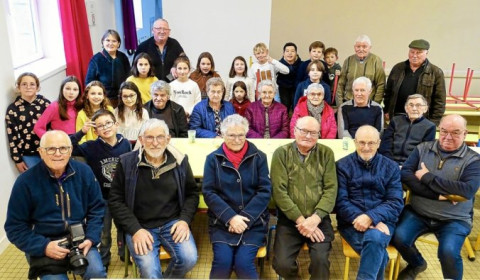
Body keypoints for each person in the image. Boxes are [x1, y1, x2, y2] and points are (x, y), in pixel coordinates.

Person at [5, 130, 106, 280]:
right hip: (45, 241)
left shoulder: (85, 172)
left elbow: (97, 209)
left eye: (63, 148)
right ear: (40, 152)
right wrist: (43, 246)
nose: (58, 154)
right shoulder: (25, 182)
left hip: (80, 239)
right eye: (51, 149)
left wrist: (91, 238)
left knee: (97, 273)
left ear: (70, 150)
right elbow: (14, 227)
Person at [392, 114, 480, 280]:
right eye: (444, 131)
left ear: (465, 134)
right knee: (398, 237)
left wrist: (426, 177)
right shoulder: (423, 148)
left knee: (448, 252)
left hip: (454, 218)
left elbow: (467, 190)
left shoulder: (473, 160)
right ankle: (417, 263)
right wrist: (440, 195)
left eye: (455, 132)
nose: (448, 137)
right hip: (418, 212)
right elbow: (405, 174)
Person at [109, 119, 199, 278]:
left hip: (172, 223)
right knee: (151, 273)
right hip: (140, 225)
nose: (155, 143)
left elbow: (192, 194)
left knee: (189, 258)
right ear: (141, 139)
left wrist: (184, 220)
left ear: (168, 139)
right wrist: (135, 230)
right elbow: (116, 201)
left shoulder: (180, 161)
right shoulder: (126, 162)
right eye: (149, 137)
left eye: (160, 137)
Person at [203, 114, 271, 279]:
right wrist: (231, 217)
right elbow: (209, 192)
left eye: (241, 135)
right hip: (222, 221)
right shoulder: (212, 159)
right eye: (231, 135)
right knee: (222, 263)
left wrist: (244, 218)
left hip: (253, 222)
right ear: (223, 135)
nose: (237, 139)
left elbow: (264, 191)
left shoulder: (259, 157)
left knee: (244, 264)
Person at [271, 116, 338, 279]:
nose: (308, 136)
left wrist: (315, 219)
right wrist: (301, 221)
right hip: (290, 220)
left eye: (313, 133)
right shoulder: (281, 154)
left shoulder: (326, 153)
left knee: (321, 261)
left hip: (319, 219)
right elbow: (279, 192)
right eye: (304, 131)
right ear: (294, 131)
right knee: (282, 264)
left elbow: (331, 189)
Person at [335, 125, 404, 280]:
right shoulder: (342, 166)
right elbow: (341, 201)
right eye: (362, 142)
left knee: (374, 238)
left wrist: (372, 217)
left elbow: (395, 201)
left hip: (384, 222)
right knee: (378, 249)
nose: (366, 148)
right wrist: (364, 219)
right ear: (354, 142)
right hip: (351, 222)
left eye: (371, 143)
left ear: (379, 143)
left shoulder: (391, 167)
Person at [71, 109, 131, 268]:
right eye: (100, 126)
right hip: (101, 199)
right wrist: (81, 132)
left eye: (108, 123)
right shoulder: (90, 146)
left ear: (116, 124)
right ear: (95, 130)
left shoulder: (125, 144)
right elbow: (68, 146)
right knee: (104, 232)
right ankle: (104, 258)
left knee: (123, 228)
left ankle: (124, 254)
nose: (105, 127)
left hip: (121, 198)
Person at [384, 39, 446, 125]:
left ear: (426, 53)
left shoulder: (435, 72)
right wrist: (387, 109)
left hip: (422, 120)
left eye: (419, 53)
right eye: (412, 52)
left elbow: (439, 102)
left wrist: (433, 122)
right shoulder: (398, 68)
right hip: (397, 117)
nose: (414, 55)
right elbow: (388, 92)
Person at [6, 72, 50, 172]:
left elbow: (53, 126)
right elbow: (12, 136)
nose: (28, 87)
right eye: (24, 84)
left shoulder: (45, 104)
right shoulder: (13, 109)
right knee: (37, 180)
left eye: (32, 84)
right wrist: (17, 160)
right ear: (18, 87)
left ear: (38, 87)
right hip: (28, 154)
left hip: (47, 150)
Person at [379, 94, 436, 165]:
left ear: (425, 109)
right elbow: (385, 144)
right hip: (389, 161)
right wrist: (390, 163)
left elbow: (425, 151)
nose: (414, 108)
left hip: (411, 165)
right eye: (411, 105)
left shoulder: (430, 126)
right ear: (406, 108)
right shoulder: (395, 121)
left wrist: (408, 166)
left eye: (418, 105)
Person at [336, 35, 386, 105]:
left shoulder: (376, 61)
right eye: (358, 46)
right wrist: (340, 104)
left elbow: (381, 85)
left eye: (364, 46)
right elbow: (341, 84)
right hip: (348, 103)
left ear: (370, 47)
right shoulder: (348, 60)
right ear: (354, 47)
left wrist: (375, 104)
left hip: (369, 104)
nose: (361, 49)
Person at [85, 29, 130, 107]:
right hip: (103, 100)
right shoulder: (96, 59)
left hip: (123, 98)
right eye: (107, 40)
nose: (110, 43)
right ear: (103, 42)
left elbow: (129, 77)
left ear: (118, 43)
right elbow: (89, 84)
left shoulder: (123, 57)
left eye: (114, 41)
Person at [277, 42, 302, 111]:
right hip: (283, 89)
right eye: (287, 51)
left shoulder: (302, 65)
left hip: (297, 89)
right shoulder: (278, 65)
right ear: (283, 53)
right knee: (284, 107)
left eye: (292, 51)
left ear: (296, 53)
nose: (289, 53)